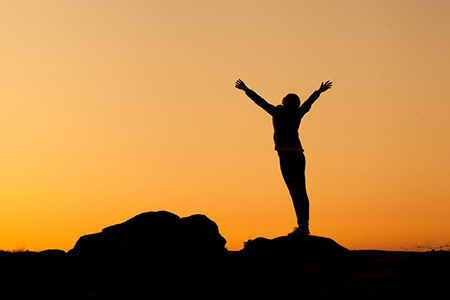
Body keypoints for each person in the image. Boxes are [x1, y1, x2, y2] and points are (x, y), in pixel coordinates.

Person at [235, 78, 332, 236]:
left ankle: (302, 228)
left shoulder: (278, 112)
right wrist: (318, 92)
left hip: (286, 156)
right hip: (298, 155)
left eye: (284, 99)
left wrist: (246, 89)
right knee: (301, 191)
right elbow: (308, 103)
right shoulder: (297, 113)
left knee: (295, 192)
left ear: (285, 102)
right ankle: (303, 226)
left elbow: (260, 102)